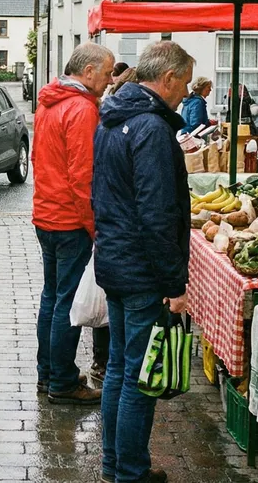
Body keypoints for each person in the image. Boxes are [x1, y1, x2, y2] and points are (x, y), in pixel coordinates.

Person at [92, 41, 193, 483]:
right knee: (137, 377)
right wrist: (174, 284)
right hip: (140, 269)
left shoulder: (112, 117)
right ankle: (130, 473)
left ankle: (115, 465)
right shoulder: (151, 127)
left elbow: (103, 193)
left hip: (115, 260)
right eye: (184, 83)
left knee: (119, 368)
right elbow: (157, 213)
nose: (185, 93)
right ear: (167, 78)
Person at [31, 41, 114, 405]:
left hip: (47, 214)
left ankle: (48, 373)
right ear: (89, 71)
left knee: (52, 296)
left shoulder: (48, 103)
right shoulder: (81, 109)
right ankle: (63, 382)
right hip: (69, 220)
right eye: (107, 73)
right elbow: (84, 176)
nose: (110, 80)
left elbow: (39, 160)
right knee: (66, 301)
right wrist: (96, 227)